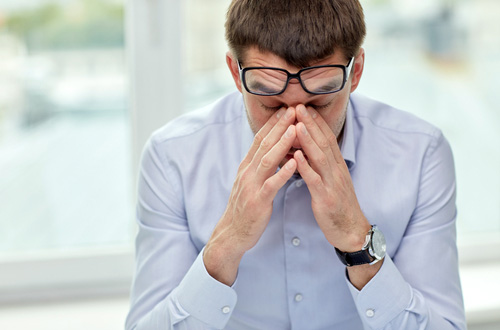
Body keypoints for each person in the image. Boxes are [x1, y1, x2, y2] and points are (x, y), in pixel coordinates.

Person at [125, 0, 466, 329]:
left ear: (356, 71)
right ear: (234, 71)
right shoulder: (172, 157)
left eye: (319, 102)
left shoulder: (421, 154)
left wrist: (357, 239)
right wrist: (228, 242)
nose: (295, 126)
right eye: (271, 104)